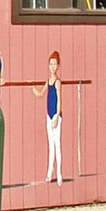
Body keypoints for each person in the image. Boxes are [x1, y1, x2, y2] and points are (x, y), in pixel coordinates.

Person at [36, 50, 65, 183]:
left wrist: (57, 116)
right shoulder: (49, 81)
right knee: (51, 145)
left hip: (55, 116)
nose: (53, 66)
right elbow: (41, 94)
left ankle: (59, 173)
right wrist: (32, 88)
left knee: (57, 144)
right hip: (48, 115)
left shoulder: (58, 82)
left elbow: (59, 100)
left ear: (58, 66)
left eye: (55, 64)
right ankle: (49, 172)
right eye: (51, 64)